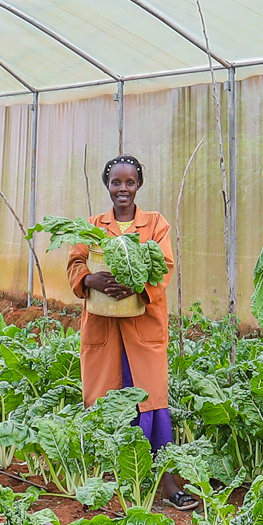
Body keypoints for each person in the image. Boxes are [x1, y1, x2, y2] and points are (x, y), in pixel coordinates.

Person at [64, 155, 185, 486]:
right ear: (107, 185)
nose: (123, 189)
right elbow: (75, 261)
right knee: (106, 399)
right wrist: (90, 280)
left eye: (129, 182)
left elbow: (165, 267)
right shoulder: (91, 226)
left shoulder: (156, 224)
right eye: (116, 182)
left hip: (142, 327)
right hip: (103, 328)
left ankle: (165, 481)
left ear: (139, 184)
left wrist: (136, 284)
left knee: (150, 398)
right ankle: (109, 481)